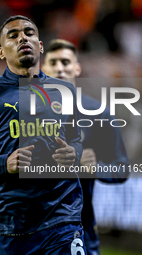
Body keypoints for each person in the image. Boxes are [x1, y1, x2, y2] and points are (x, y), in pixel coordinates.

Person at [0, 15, 87, 254]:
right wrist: (3, 163)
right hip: (11, 224)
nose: (23, 37)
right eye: (13, 35)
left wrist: (73, 153)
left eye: (29, 33)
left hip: (62, 217)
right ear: (1, 52)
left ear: (40, 46)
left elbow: (76, 141)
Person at [42, 39, 130, 255]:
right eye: (53, 62)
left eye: (66, 61)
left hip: (77, 229)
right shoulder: (24, 112)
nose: (60, 68)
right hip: (31, 229)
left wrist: (95, 167)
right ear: (43, 69)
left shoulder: (98, 113)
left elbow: (122, 168)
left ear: (77, 68)